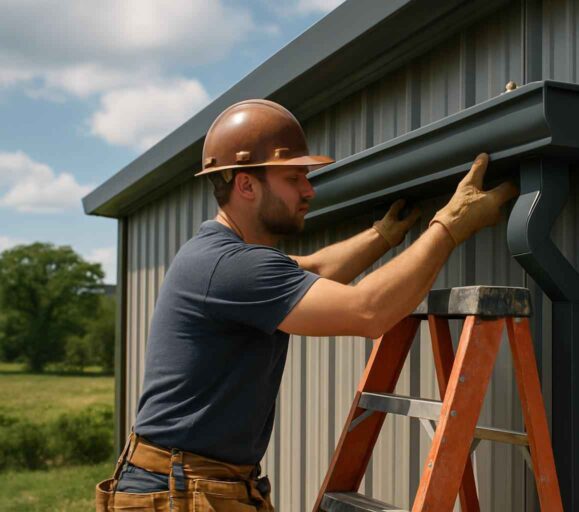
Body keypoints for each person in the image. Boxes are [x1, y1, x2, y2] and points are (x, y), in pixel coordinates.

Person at [96, 99, 517, 511]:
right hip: (182, 492)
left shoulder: (219, 254)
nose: (309, 189)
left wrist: (383, 235)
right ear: (246, 184)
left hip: (196, 483)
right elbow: (369, 311)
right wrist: (450, 226)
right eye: (294, 177)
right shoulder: (231, 266)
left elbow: (314, 268)